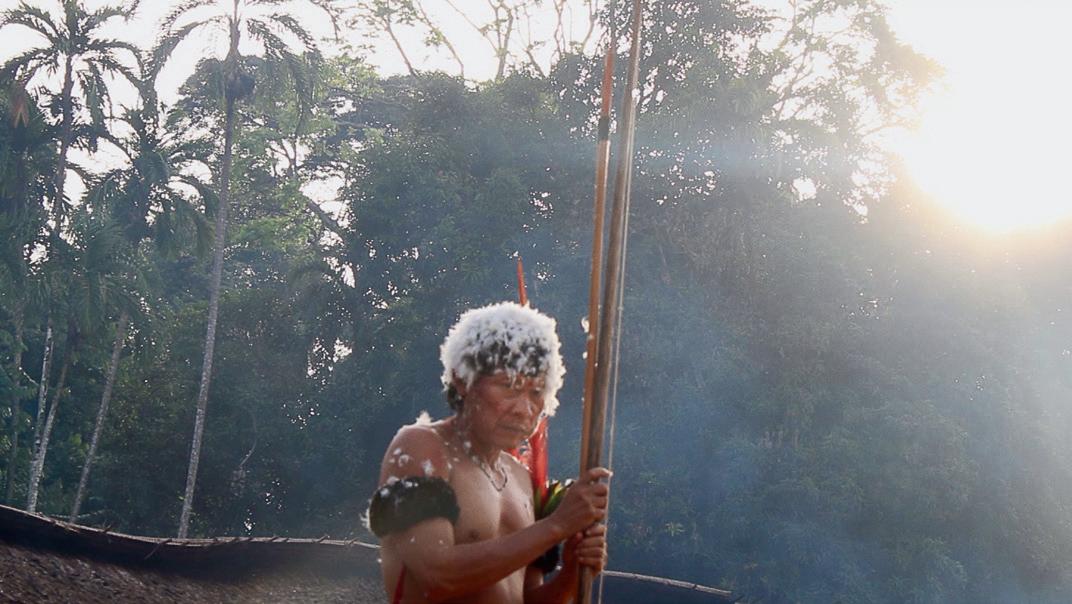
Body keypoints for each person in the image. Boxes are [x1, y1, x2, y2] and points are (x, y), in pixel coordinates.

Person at [367, 301, 611, 603]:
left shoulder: (520, 477)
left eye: (536, 392)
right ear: (462, 380)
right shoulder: (423, 447)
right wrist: (557, 525)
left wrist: (572, 574)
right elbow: (437, 576)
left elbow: (526, 598)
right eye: (509, 386)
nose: (524, 409)